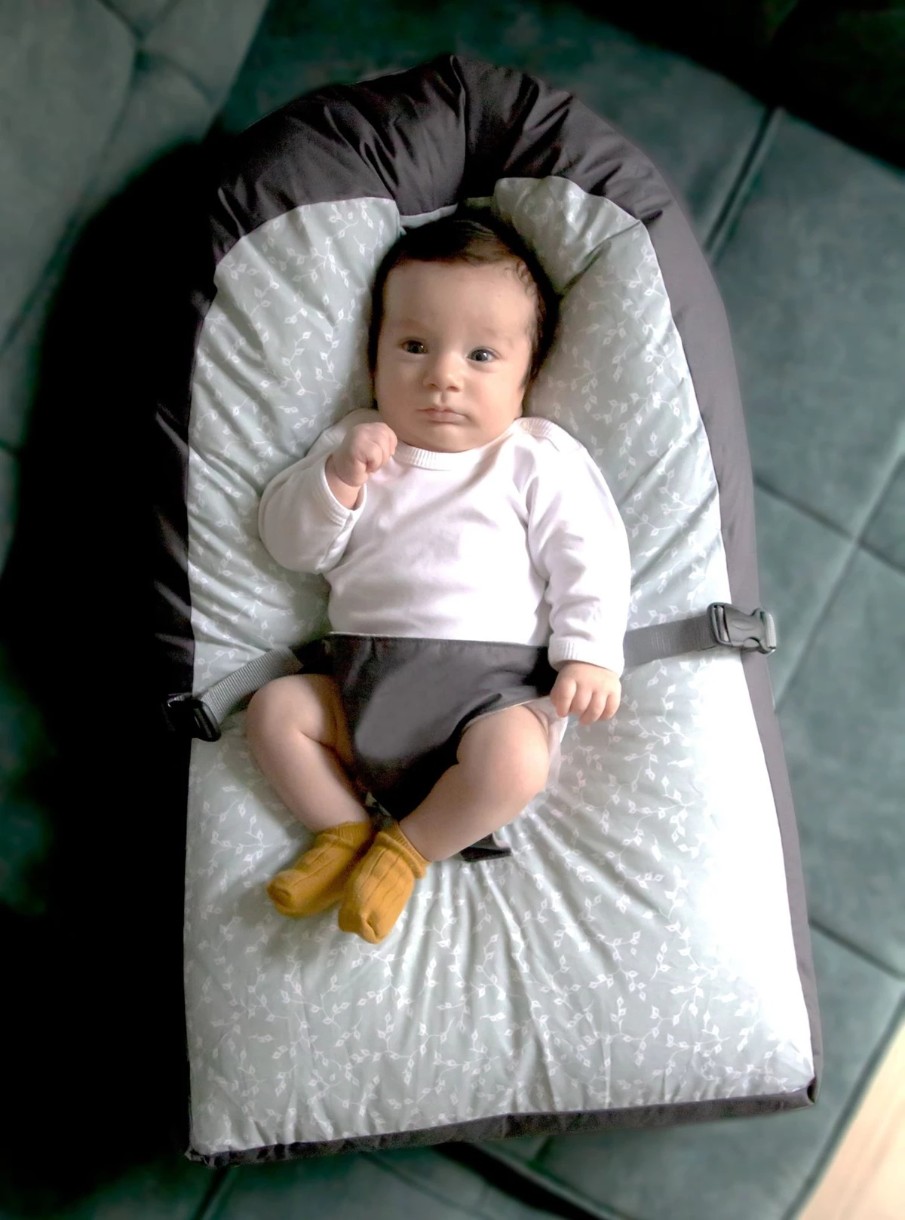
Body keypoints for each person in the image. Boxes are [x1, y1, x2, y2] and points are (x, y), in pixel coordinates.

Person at [247, 212, 631, 944]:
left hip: (486, 698)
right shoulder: (357, 443)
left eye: (481, 355)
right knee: (275, 712)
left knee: (516, 763)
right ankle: (341, 832)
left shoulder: (532, 458)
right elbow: (291, 547)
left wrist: (589, 652)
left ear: (527, 376)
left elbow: (590, 557)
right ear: (374, 356)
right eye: (414, 346)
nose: (443, 376)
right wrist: (338, 480)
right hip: (360, 686)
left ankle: (407, 850)